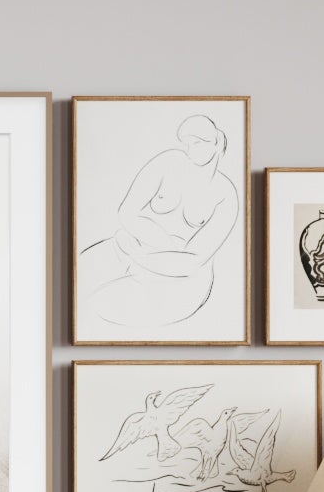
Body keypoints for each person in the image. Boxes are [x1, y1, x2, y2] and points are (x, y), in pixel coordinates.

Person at [80, 115, 239, 330]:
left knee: (97, 309)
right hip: (127, 249)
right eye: (188, 142)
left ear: (218, 143)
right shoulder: (168, 162)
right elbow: (127, 212)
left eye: (199, 142)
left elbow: (193, 261)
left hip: (179, 282)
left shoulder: (226, 195)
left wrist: (140, 255)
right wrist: (163, 243)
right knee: (71, 282)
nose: (192, 148)